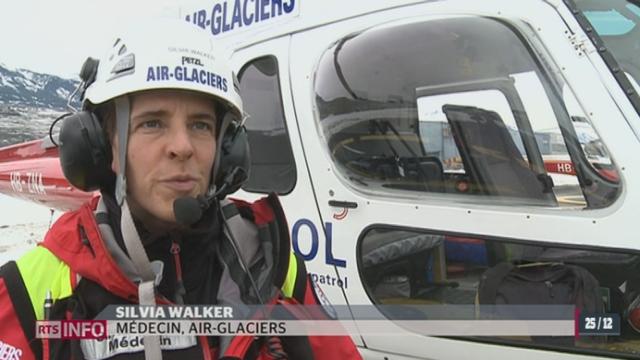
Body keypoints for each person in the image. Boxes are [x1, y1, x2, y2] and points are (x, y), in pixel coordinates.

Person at [0, 19, 362, 360]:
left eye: (200, 125)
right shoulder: (29, 294)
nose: (182, 146)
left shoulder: (271, 262)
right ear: (103, 147)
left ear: (225, 150)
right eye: (152, 122)